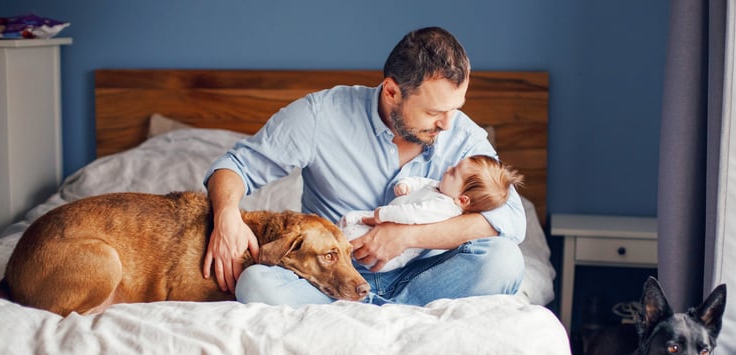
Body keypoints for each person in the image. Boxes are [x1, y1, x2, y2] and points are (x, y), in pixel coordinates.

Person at [202, 26, 527, 307]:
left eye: (455, 108)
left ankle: (367, 315)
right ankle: (395, 313)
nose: (447, 124)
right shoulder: (320, 116)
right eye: (433, 112)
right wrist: (226, 215)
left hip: (425, 278)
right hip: (329, 279)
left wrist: (407, 236)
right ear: (392, 92)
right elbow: (235, 167)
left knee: (504, 260)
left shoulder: (464, 137)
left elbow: (510, 219)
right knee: (256, 283)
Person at [340, 155, 523, 273]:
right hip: (383, 224)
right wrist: (406, 184)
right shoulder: (440, 187)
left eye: (454, 173)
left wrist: (382, 214)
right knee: (349, 219)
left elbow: (411, 214)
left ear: (462, 200)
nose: (448, 169)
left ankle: (343, 253)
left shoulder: (443, 207)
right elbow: (421, 182)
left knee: (352, 234)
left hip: (393, 255)